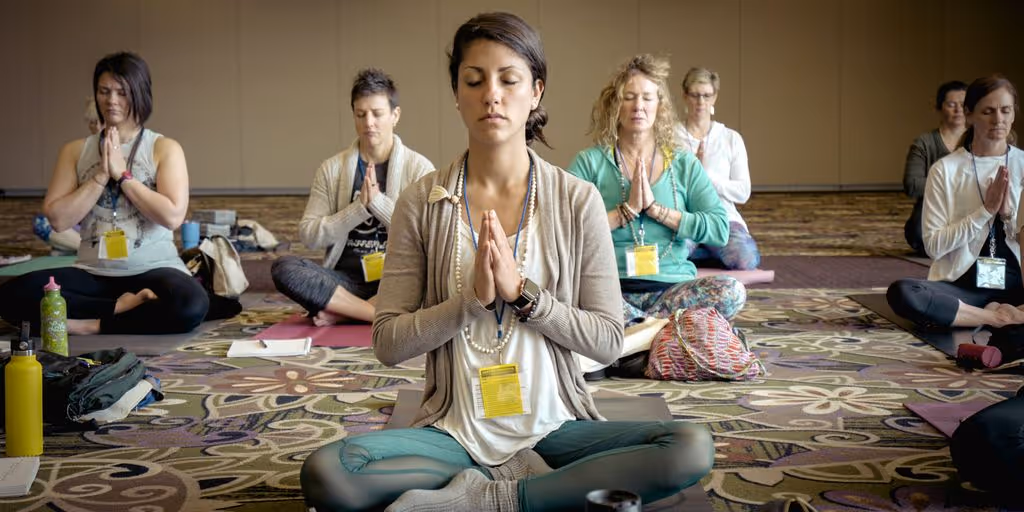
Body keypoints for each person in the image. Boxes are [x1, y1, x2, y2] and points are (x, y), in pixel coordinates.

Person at [300, 13, 713, 512]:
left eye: (508, 80)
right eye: (474, 81)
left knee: (689, 446)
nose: (491, 94)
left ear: (535, 91)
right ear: (457, 93)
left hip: (554, 430)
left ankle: (496, 500)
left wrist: (525, 295)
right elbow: (387, 343)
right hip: (456, 434)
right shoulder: (420, 202)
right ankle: (534, 495)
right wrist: (469, 303)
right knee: (329, 473)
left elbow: (605, 341)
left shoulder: (576, 200)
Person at [0, 52, 207, 335]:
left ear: (141, 94)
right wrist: (100, 175)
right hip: (93, 272)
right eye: (104, 91)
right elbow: (58, 220)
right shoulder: (74, 151)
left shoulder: (164, 148)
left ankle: (90, 324)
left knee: (190, 304)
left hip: (154, 269)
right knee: (11, 296)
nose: (111, 101)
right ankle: (121, 309)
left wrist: (123, 175)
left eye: (122, 92)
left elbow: (172, 217)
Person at [567, 55, 746, 329]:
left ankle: (634, 332)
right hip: (610, 289)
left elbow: (720, 228)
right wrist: (624, 212)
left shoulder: (683, 163)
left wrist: (657, 211)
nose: (638, 106)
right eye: (629, 97)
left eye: (647, 98)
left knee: (732, 291)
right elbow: (564, 230)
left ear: (659, 105)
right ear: (615, 104)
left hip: (671, 289)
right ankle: (660, 331)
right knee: (565, 295)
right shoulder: (589, 162)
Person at [271, 69, 434, 325]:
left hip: (397, 280)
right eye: (361, 114)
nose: (369, 122)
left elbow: (427, 236)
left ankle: (344, 312)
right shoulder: (331, 169)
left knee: (434, 278)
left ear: (395, 115)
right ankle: (369, 313)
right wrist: (358, 209)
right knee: (284, 269)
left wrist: (378, 204)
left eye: (377, 114)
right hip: (344, 283)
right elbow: (310, 235)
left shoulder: (419, 168)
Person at [887, 75, 1023, 328]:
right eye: (988, 111)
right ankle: (997, 318)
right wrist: (984, 212)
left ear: (1013, 113)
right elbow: (935, 247)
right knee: (904, 293)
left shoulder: (1022, 165)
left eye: (1005, 110)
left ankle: (983, 313)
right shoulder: (945, 170)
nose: (998, 120)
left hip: (1017, 284)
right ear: (969, 115)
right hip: (964, 287)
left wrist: (1007, 216)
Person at [674, 67, 760, 270]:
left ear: (715, 98)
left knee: (746, 260)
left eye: (706, 95)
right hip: (685, 218)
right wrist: (690, 176)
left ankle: (703, 251)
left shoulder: (730, 138)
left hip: (721, 218)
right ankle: (707, 251)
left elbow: (743, 192)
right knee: (662, 260)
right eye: (695, 95)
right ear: (685, 96)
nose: (700, 102)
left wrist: (706, 178)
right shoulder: (670, 137)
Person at [903, 81, 968, 257]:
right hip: (934, 208)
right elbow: (913, 185)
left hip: (970, 207)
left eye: (963, 105)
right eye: (951, 105)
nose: (958, 110)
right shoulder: (924, 143)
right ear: (939, 108)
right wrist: (957, 186)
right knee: (919, 235)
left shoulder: (978, 140)